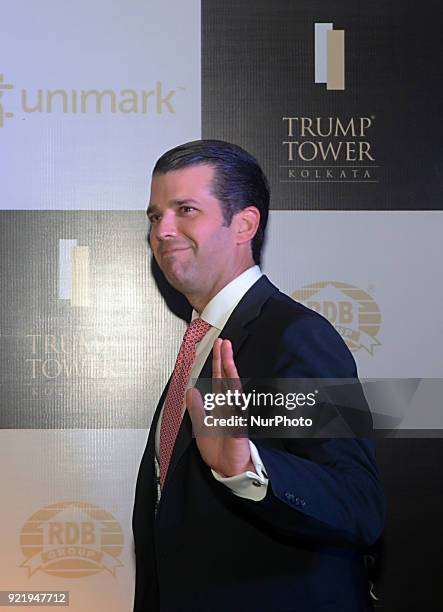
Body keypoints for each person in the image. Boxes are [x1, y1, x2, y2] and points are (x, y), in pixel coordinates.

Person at [132, 140, 384, 612]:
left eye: (186, 210)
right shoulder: (201, 339)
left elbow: (359, 504)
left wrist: (247, 468)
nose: (163, 230)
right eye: (154, 216)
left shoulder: (297, 336)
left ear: (244, 224)